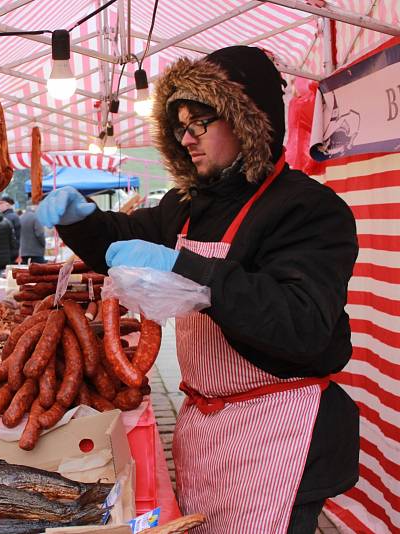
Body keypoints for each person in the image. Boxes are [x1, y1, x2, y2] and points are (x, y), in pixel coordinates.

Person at [37, 46, 359, 533]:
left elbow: (301, 323)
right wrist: (80, 222)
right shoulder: (185, 205)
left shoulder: (310, 210)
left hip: (282, 432)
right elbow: (120, 242)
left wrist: (193, 273)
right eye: (179, 126)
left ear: (247, 119)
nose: (186, 138)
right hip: (207, 425)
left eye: (200, 122)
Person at [0, 195, 21, 264]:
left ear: (7, 204)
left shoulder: (8, 217)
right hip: (11, 251)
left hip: (9, 252)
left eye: (1, 203)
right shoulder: (11, 216)